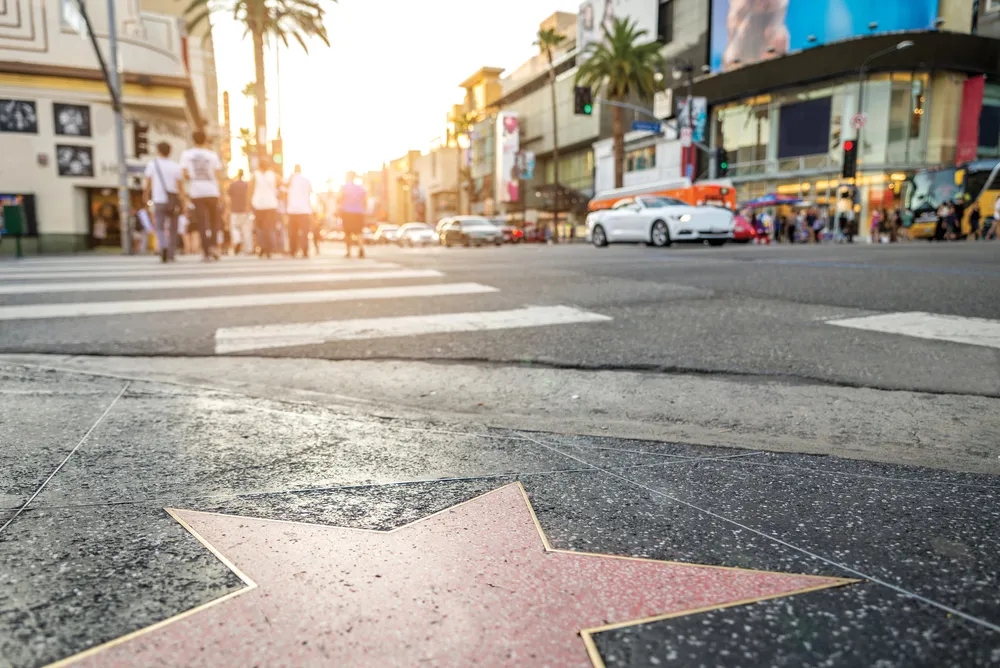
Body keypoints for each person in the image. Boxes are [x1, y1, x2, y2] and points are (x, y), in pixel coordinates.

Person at [180, 130, 224, 261]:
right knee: (215, 221)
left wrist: (193, 179)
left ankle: (206, 252)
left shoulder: (187, 154)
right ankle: (213, 246)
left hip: (197, 191)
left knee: (201, 222)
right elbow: (218, 175)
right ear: (205, 140)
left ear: (193, 140)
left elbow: (184, 173)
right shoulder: (212, 155)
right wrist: (221, 192)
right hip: (212, 191)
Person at [142, 141, 184, 263]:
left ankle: (163, 245)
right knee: (173, 228)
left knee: (159, 227)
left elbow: (148, 184)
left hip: (159, 200)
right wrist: (184, 203)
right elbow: (180, 187)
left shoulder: (152, 164)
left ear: (158, 151)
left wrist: (145, 197)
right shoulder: (175, 166)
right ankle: (171, 254)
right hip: (173, 200)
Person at [250, 156, 280, 258]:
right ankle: (269, 248)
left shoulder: (255, 175)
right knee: (269, 228)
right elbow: (280, 188)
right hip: (270, 205)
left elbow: (250, 190)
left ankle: (264, 247)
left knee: (260, 228)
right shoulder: (274, 175)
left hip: (258, 205)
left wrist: (249, 205)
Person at [338, 170, 367, 258]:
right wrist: (363, 209)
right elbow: (365, 200)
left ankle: (348, 251)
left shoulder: (344, 187)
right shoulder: (361, 188)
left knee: (347, 233)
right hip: (358, 213)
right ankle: (361, 248)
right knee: (359, 232)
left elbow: (339, 199)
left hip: (347, 213)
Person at [286, 164, 313, 258]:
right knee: (304, 232)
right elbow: (310, 192)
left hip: (292, 210)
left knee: (293, 232)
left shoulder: (290, 179)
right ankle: (305, 250)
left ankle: (293, 251)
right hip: (304, 210)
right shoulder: (306, 180)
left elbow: (284, 191)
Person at [228, 169, 253, 255]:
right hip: (245, 210)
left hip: (234, 210)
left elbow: (228, 198)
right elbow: (250, 197)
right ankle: (248, 249)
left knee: (234, 228)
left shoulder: (232, 185)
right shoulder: (247, 185)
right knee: (246, 230)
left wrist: (228, 210)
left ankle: (237, 240)